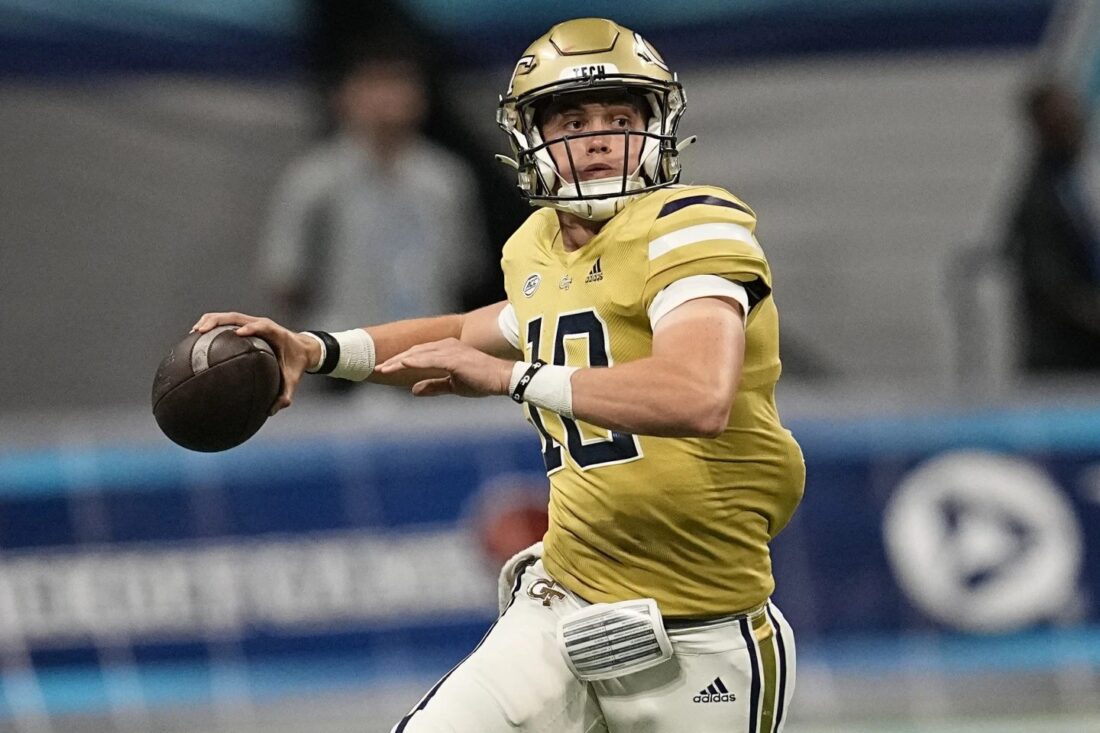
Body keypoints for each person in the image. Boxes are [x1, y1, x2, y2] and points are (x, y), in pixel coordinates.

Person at [195, 18, 804, 732]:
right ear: (531, 139)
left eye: (620, 116)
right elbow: (458, 332)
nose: (599, 136)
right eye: (572, 119)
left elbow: (697, 394)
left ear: (658, 127)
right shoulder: (538, 245)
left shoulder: (692, 228)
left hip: (700, 633)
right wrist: (316, 348)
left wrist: (513, 377)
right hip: (564, 599)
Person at [259, 41, 488, 333]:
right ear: (343, 94)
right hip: (340, 353)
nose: (388, 97)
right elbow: (287, 277)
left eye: (399, 82)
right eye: (374, 83)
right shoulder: (315, 179)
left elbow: (464, 271)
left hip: (429, 348)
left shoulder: (447, 179)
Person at [1009, 80, 1100, 372]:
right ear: (1042, 127)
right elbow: (1051, 283)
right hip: (1063, 357)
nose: (1075, 124)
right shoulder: (1039, 198)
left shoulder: (1074, 183)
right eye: (1063, 118)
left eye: (1075, 115)